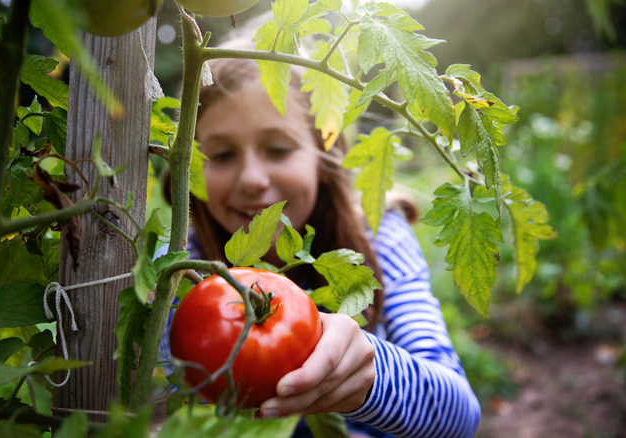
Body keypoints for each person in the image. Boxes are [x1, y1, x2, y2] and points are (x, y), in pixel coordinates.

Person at [161, 49, 481, 437]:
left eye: (278, 149)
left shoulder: (380, 239)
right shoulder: (181, 266)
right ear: (187, 168)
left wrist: (372, 376)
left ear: (324, 160)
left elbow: (460, 417)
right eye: (222, 154)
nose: (251, 179)